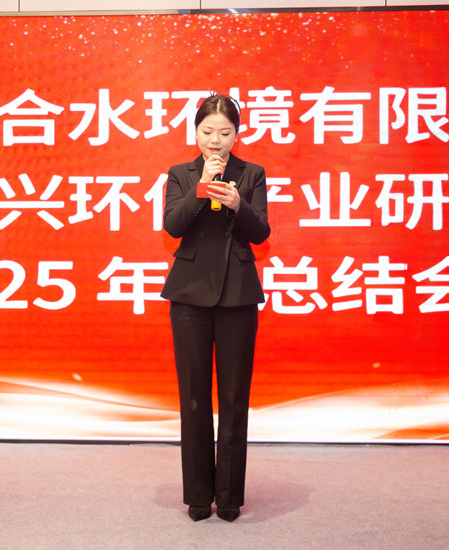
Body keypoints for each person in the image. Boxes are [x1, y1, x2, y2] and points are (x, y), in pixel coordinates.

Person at [160, 93, 270, 522]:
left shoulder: (252, 173)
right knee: (193, 399)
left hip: (238, 296)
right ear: (195, 132)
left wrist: (239, 204)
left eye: (225, 132)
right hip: (189, 296)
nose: (215, 140)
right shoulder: (180, 174)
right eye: (207, 131)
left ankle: (228, 497)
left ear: (236, 134)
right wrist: (202, 188)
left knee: (234, 398)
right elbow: (172, 225)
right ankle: (197, 495)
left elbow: (260, 232)